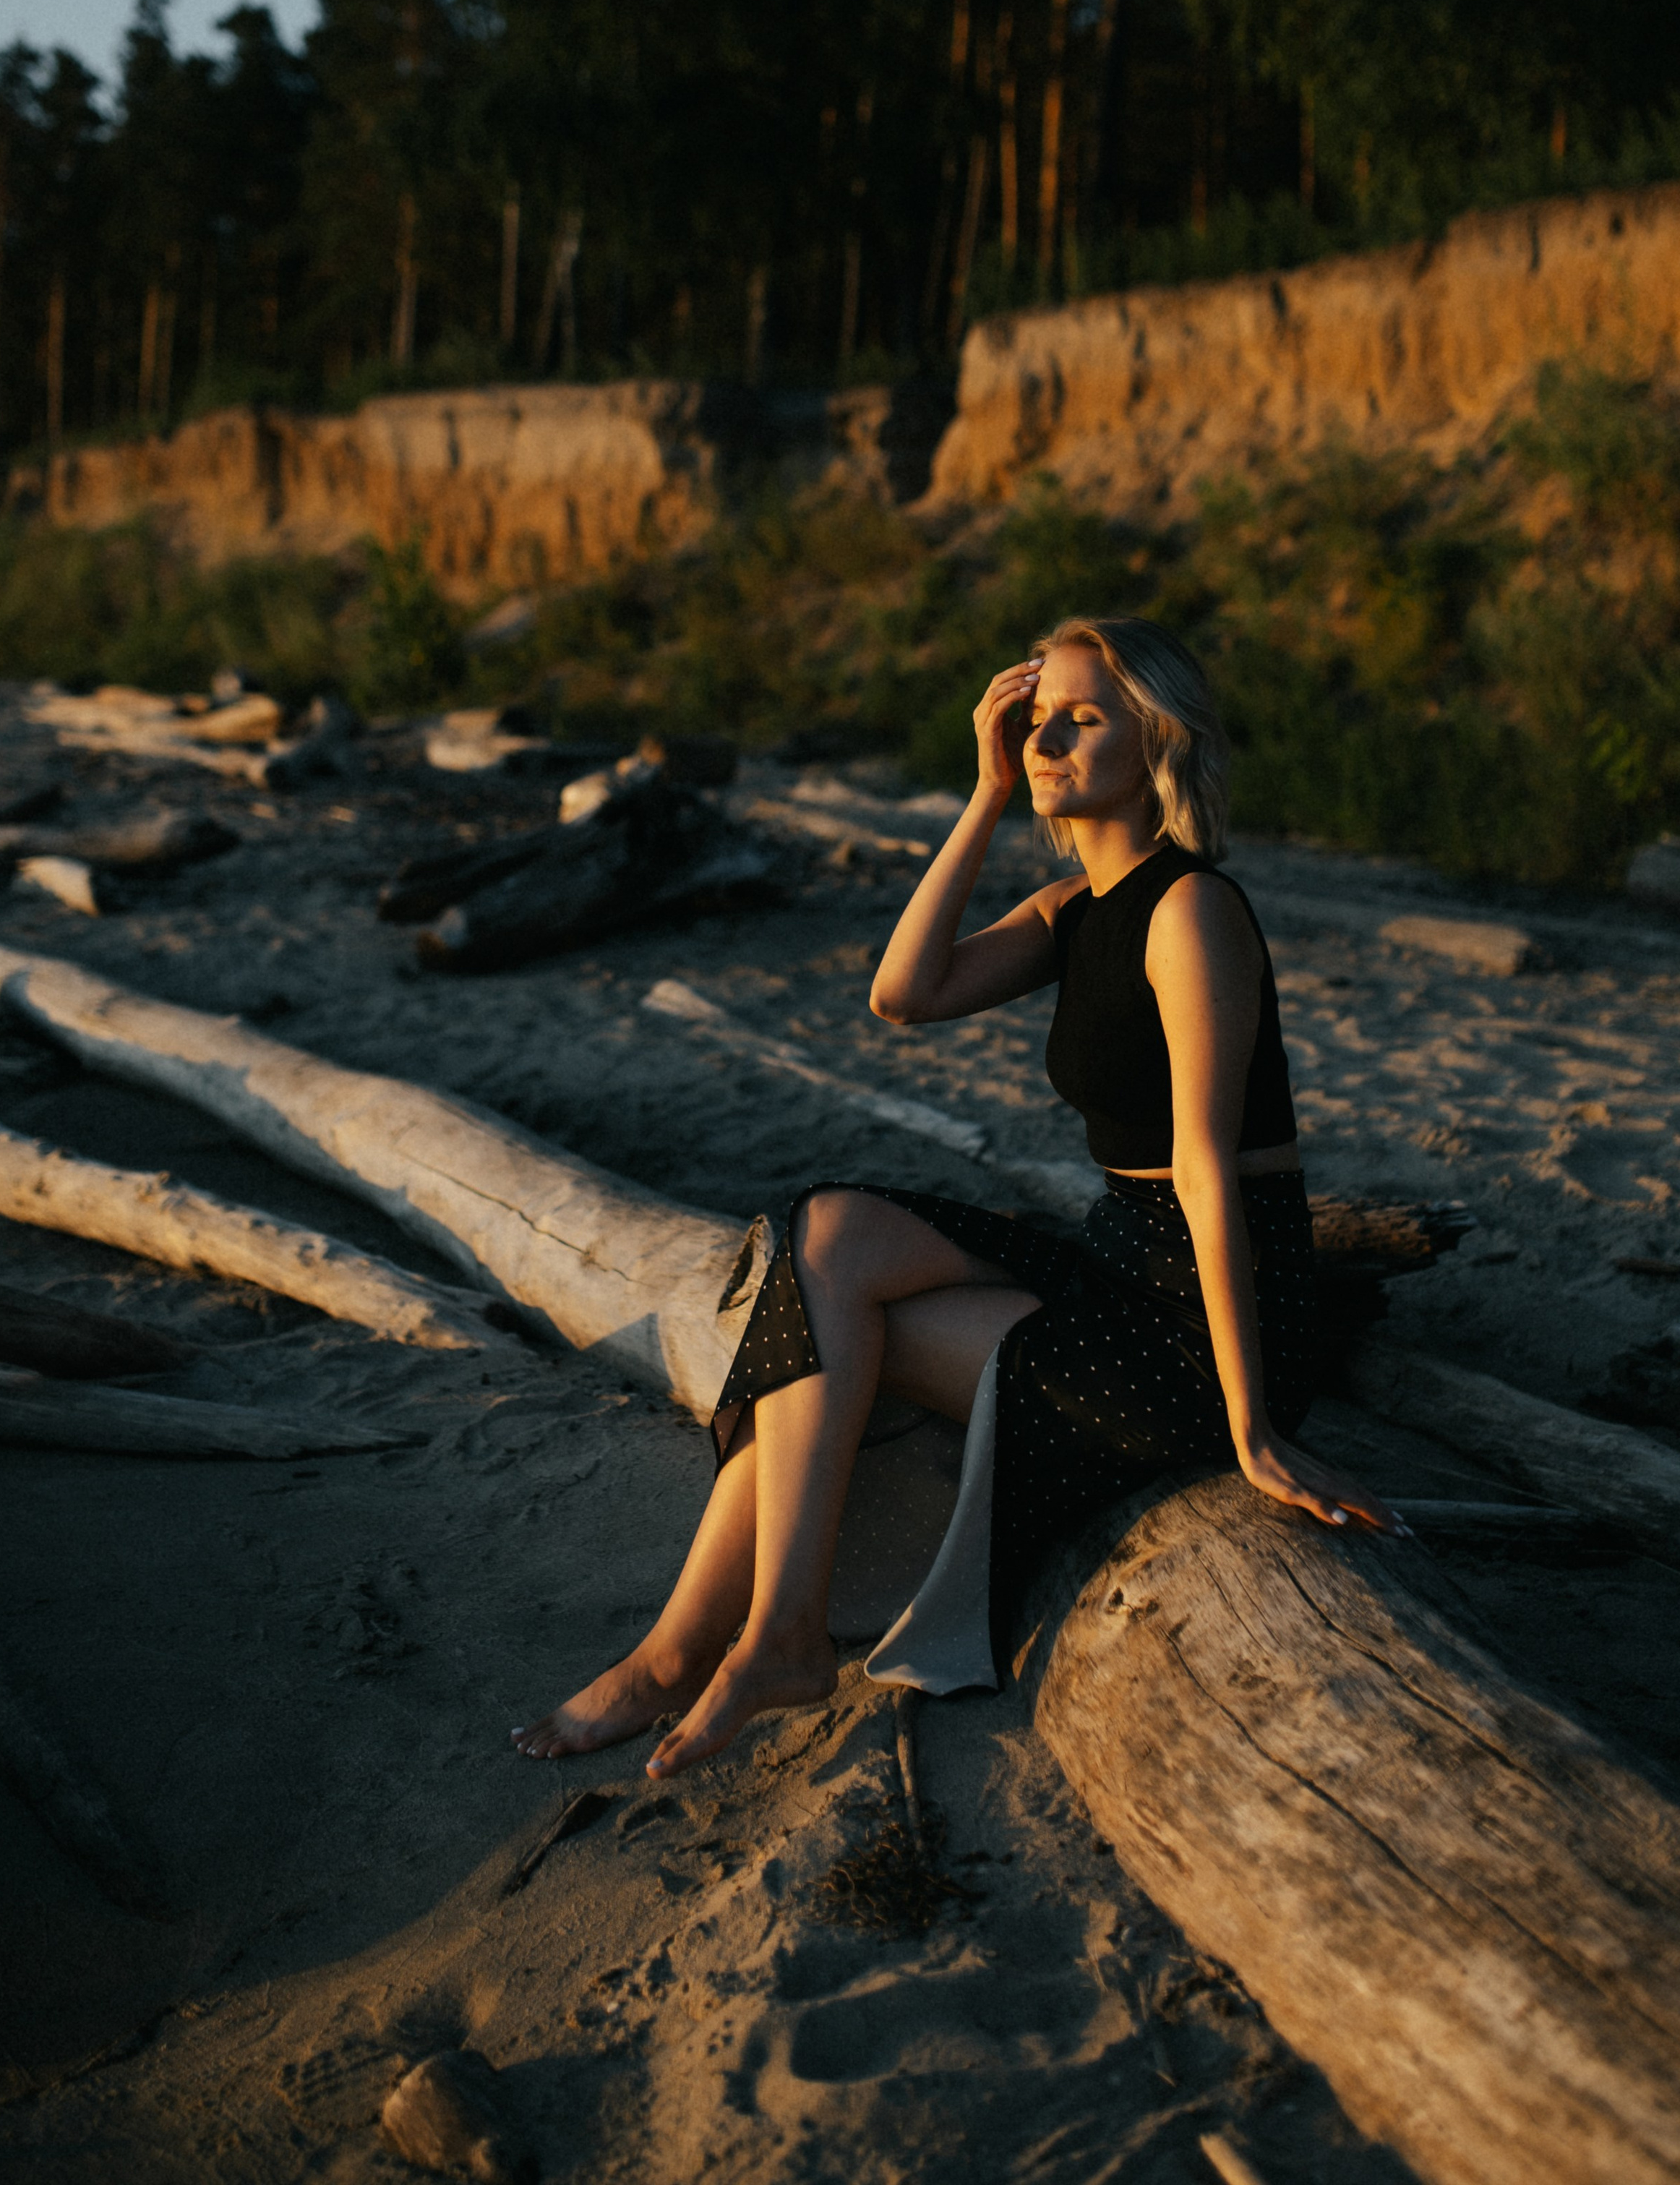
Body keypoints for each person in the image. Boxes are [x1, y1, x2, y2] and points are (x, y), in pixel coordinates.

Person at [513, 615, 1401, 1781]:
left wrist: (1252, 1425)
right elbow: (902, 993)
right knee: (827, 1234)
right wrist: (982, 797)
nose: (1050, 743)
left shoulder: (1191, 911)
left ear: (1157, 742)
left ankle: (713, 1646)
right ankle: (736, 1639)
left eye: (1085, 721)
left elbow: (1205, 1171)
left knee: (828, 1333)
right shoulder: (1070, 912)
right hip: (1117, 1260)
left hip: (1197, 1324)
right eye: (1040, 723)